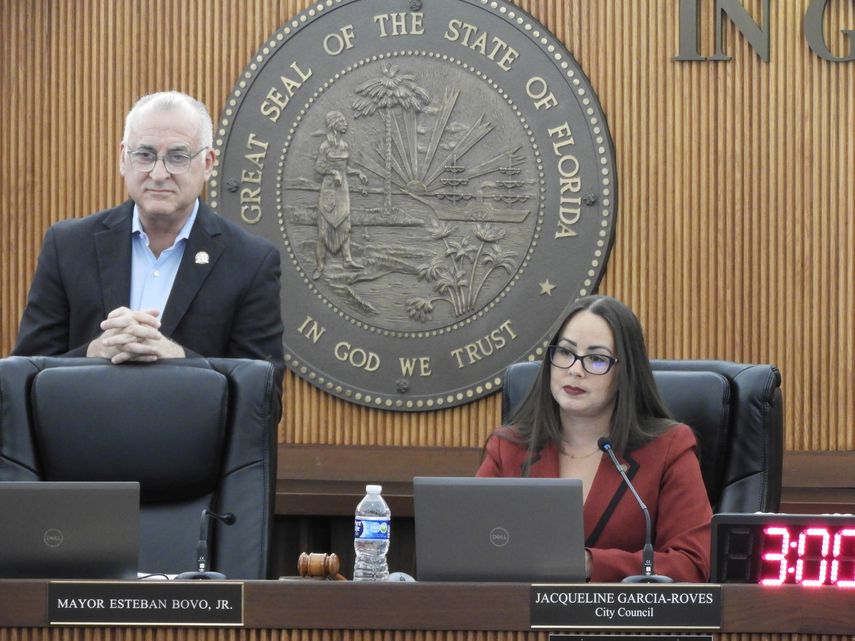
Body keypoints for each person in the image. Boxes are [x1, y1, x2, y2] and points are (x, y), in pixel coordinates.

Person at [12, 91, 285, 389]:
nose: (158, 173)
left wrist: (180, 359)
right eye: (145, 155)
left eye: (178, 157)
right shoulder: (67, 247)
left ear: (207, 163)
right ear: (123, 159)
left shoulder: (250, 261)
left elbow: (263, 394)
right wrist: (93, 353)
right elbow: (23, 378)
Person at [477, 295, 711, 582]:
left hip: (623, 612)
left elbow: (692, 564)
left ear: (625, 372)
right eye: (565, 352)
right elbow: (471, 549)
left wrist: (591, 563)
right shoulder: (508, 448)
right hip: (522, 611)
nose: (575, 370)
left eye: (597, 359)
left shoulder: (668, 449)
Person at [312, 110, 368, 280]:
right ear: (334, 125)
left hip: (342, 190)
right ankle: (320, 265)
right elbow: (318, 167)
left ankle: (348, 260)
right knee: (323, 230)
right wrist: (332, 172)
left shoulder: (344, 146)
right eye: (342, 122)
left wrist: (358, 173)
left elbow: (345, 168)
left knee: (345, 225)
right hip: (329, 189)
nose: (346, 124)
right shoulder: (325, 146)